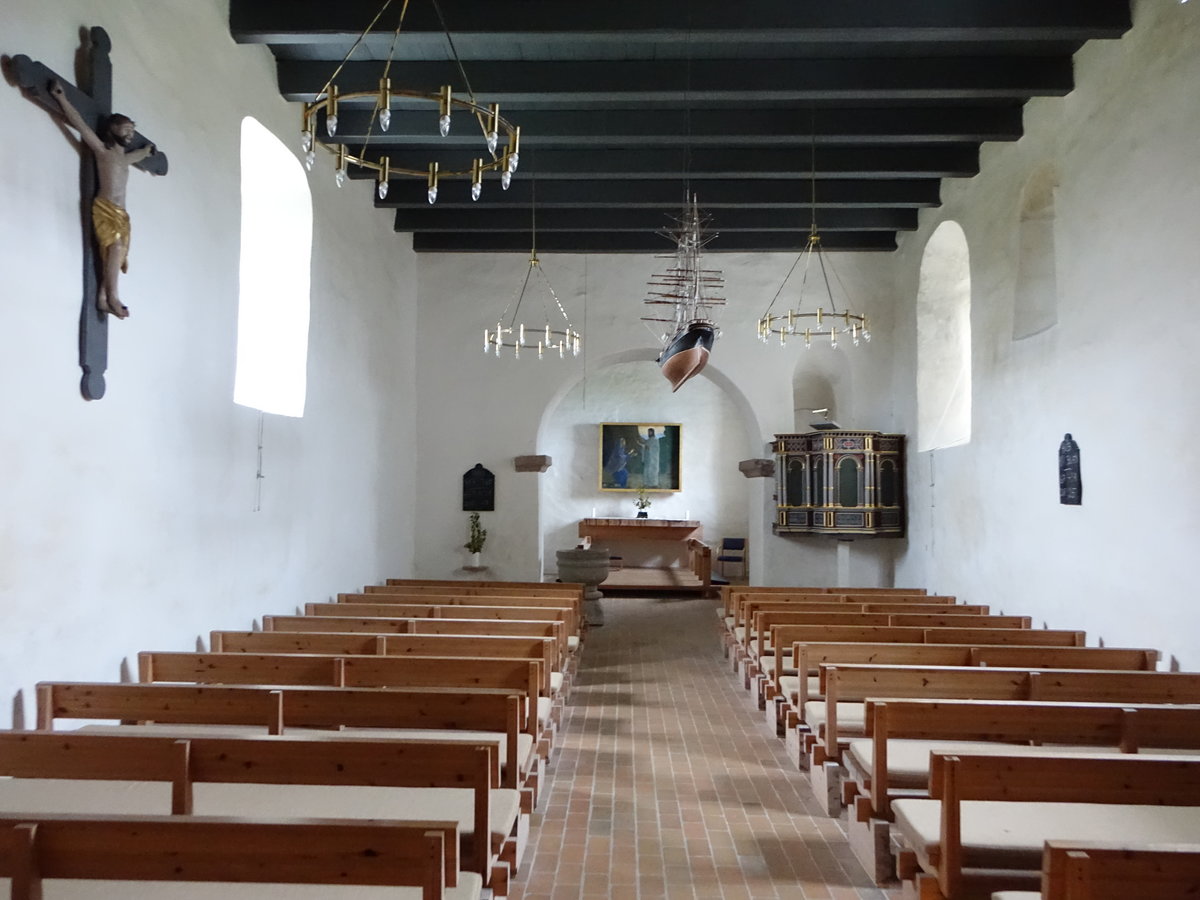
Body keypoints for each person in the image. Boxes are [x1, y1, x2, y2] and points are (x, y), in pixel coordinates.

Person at [49, 79, 157, 319]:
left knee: (111, 255)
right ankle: (113, 296)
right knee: (115, 248)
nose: (130, 134)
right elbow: (79, 124)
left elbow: (139, 153)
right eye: (125, 129)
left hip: (123, 215)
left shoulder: (124, 158)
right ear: (112, 129)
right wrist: (61, 98)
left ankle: (101, 297)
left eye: (132, 130)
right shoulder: (102, 151)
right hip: (105, 208)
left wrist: (148, 151)